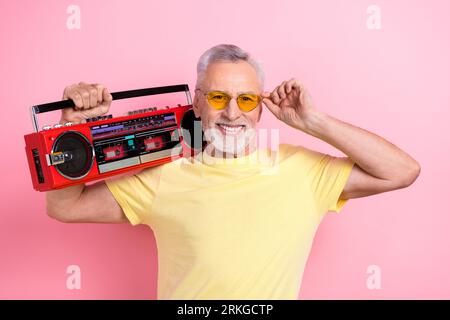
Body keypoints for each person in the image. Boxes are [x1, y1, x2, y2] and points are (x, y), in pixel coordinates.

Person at [46, 44, 420, 299]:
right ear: (197, 101)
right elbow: (64, 207)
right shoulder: (163, 175)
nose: (231, 113)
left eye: (245, 99)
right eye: (217, 97)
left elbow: (401, 171)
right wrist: (66, 132)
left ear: (260, 107)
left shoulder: (303, 171)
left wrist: (312, 121)